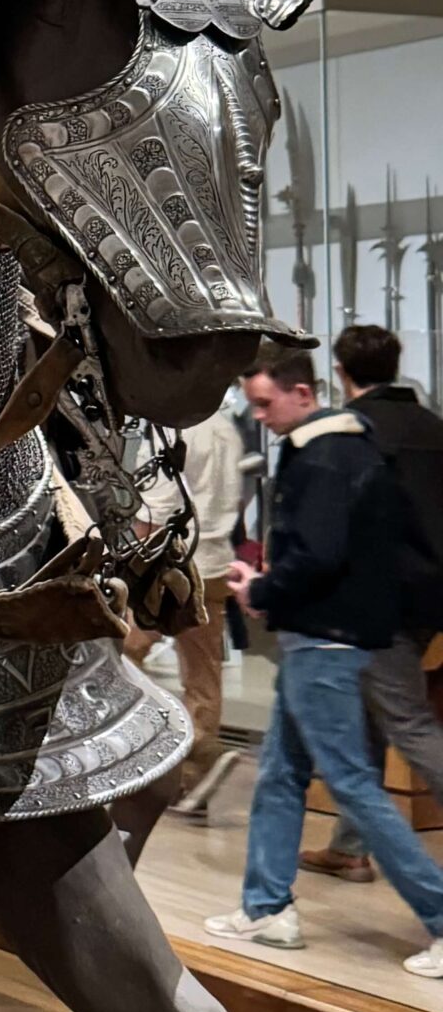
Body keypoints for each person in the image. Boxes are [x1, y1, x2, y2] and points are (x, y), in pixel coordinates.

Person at [205, 351, 443, 976]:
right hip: (322, 635)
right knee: (281, 771)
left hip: (325, 639)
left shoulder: (325, 456)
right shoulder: (351, 449)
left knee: (351, 784)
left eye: (265, 403)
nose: (260, 416)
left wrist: (263, 589)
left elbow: (318, 555)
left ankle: (441, 913)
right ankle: (266, 906)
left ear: (304, 393)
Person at [301, 325, 443, 881]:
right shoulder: (434, 428)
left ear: (340, 371)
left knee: (407, 722)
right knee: (369, 720)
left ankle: (350, 845)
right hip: (429, 598)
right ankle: (349, 846)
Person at [125, 397, 246, 823]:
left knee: (122, 655)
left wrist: (132, 564)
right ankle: (196, 776)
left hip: (170, 564)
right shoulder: (227, 429)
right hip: (215, 562)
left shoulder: (173, 429)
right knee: (203, 673)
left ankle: (149, 751)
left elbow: (156, 508)